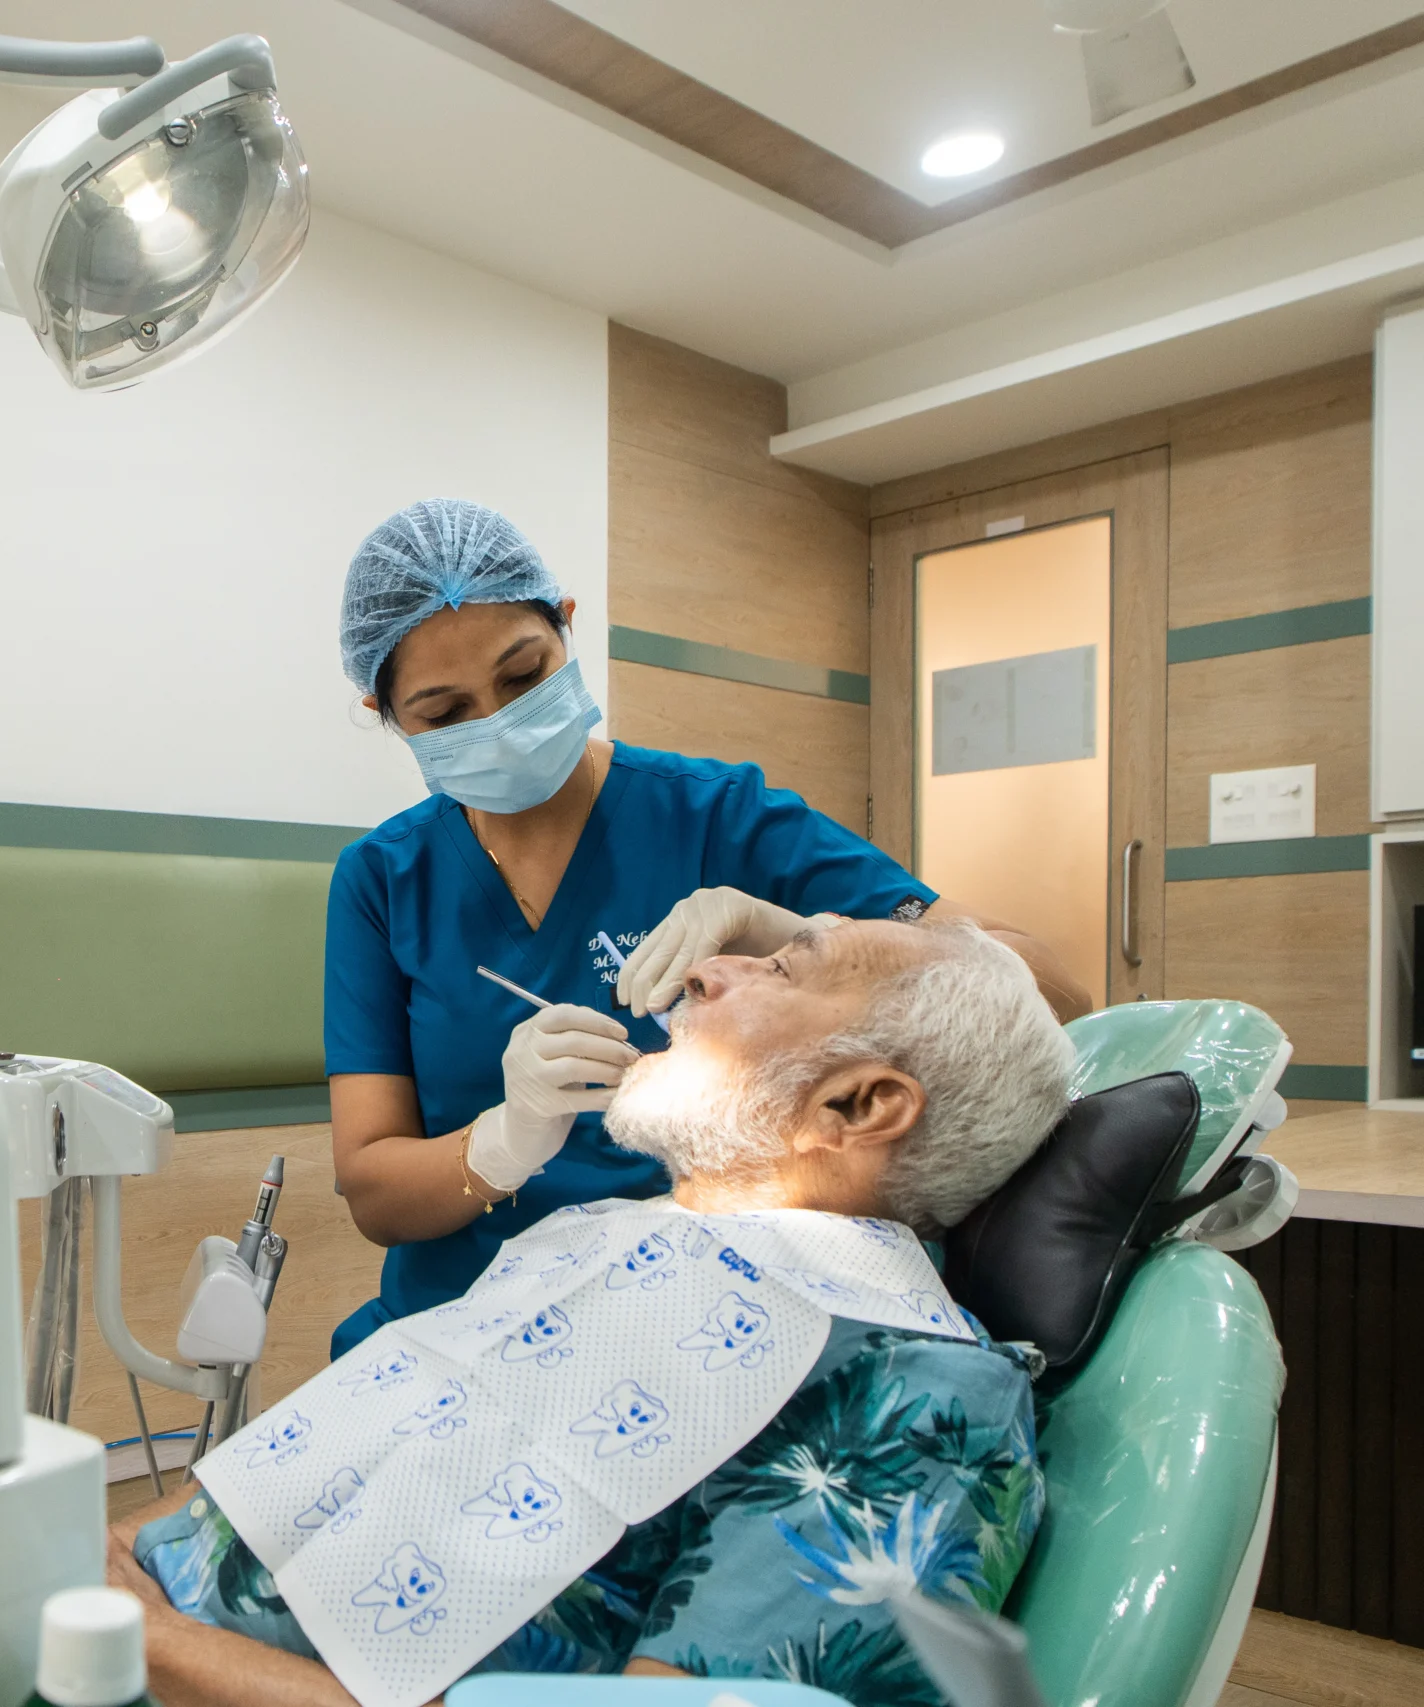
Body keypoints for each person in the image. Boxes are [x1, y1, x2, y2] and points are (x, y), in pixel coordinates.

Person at [112, 917, 1075, 1707]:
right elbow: (319, 1462)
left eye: (781, 966)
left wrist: (140, 1640)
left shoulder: (913, 1395)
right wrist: (110, 1548)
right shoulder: (615, 1235)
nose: (705, 969)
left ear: (857, 1105)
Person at [325, 498, 1092, 1355]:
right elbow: (375, 1191)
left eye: (523, 676)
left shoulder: (724, 817)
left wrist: (785, 931)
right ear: (386, 712)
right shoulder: (383, 879)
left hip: (692, 1319)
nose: (498, 727)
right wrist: (500, 1144)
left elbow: (1051, 993)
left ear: (567, 625)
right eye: (445, 713)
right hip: (449, 1327)